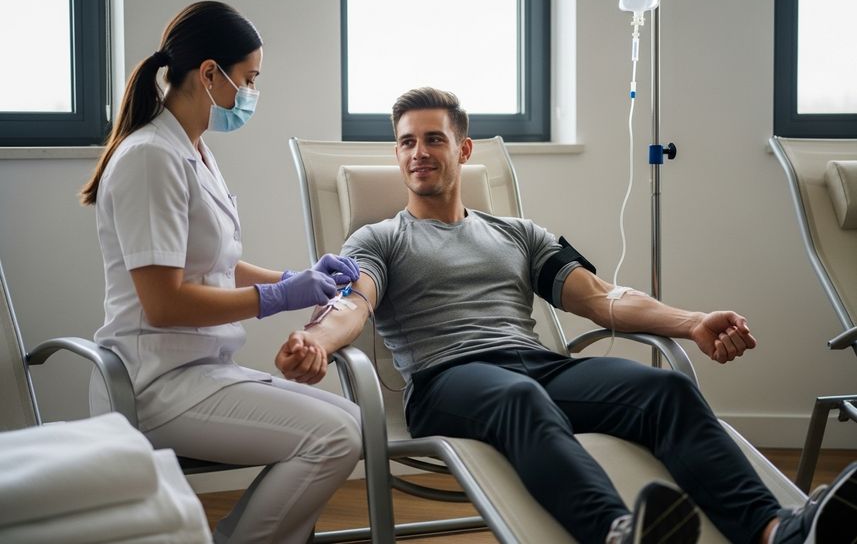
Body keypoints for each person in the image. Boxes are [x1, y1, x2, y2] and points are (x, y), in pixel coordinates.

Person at [275, 87, 857, 544]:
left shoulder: (520, 234)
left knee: (663, 391)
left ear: (464, 149)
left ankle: (779, 530)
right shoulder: (377, 238)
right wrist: (319, 342)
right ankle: (614, 531)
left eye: (433, 139)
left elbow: (603, 297)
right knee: (518, 398)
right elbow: (353, 303)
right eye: (405, 142)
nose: (418, 153)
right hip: (446, 379)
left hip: (538, 366)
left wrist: (691, 322)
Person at [80, 1, 362, 544]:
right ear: (209, 74)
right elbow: (165, 303)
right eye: (248, 78)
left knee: (349, 424)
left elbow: (216, 264)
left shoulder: (193, 149)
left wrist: (296, 276)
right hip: (154, 384)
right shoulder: (149, 158)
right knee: (333, 438)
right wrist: (279, 297)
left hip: (202, 370)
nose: (251, 92)